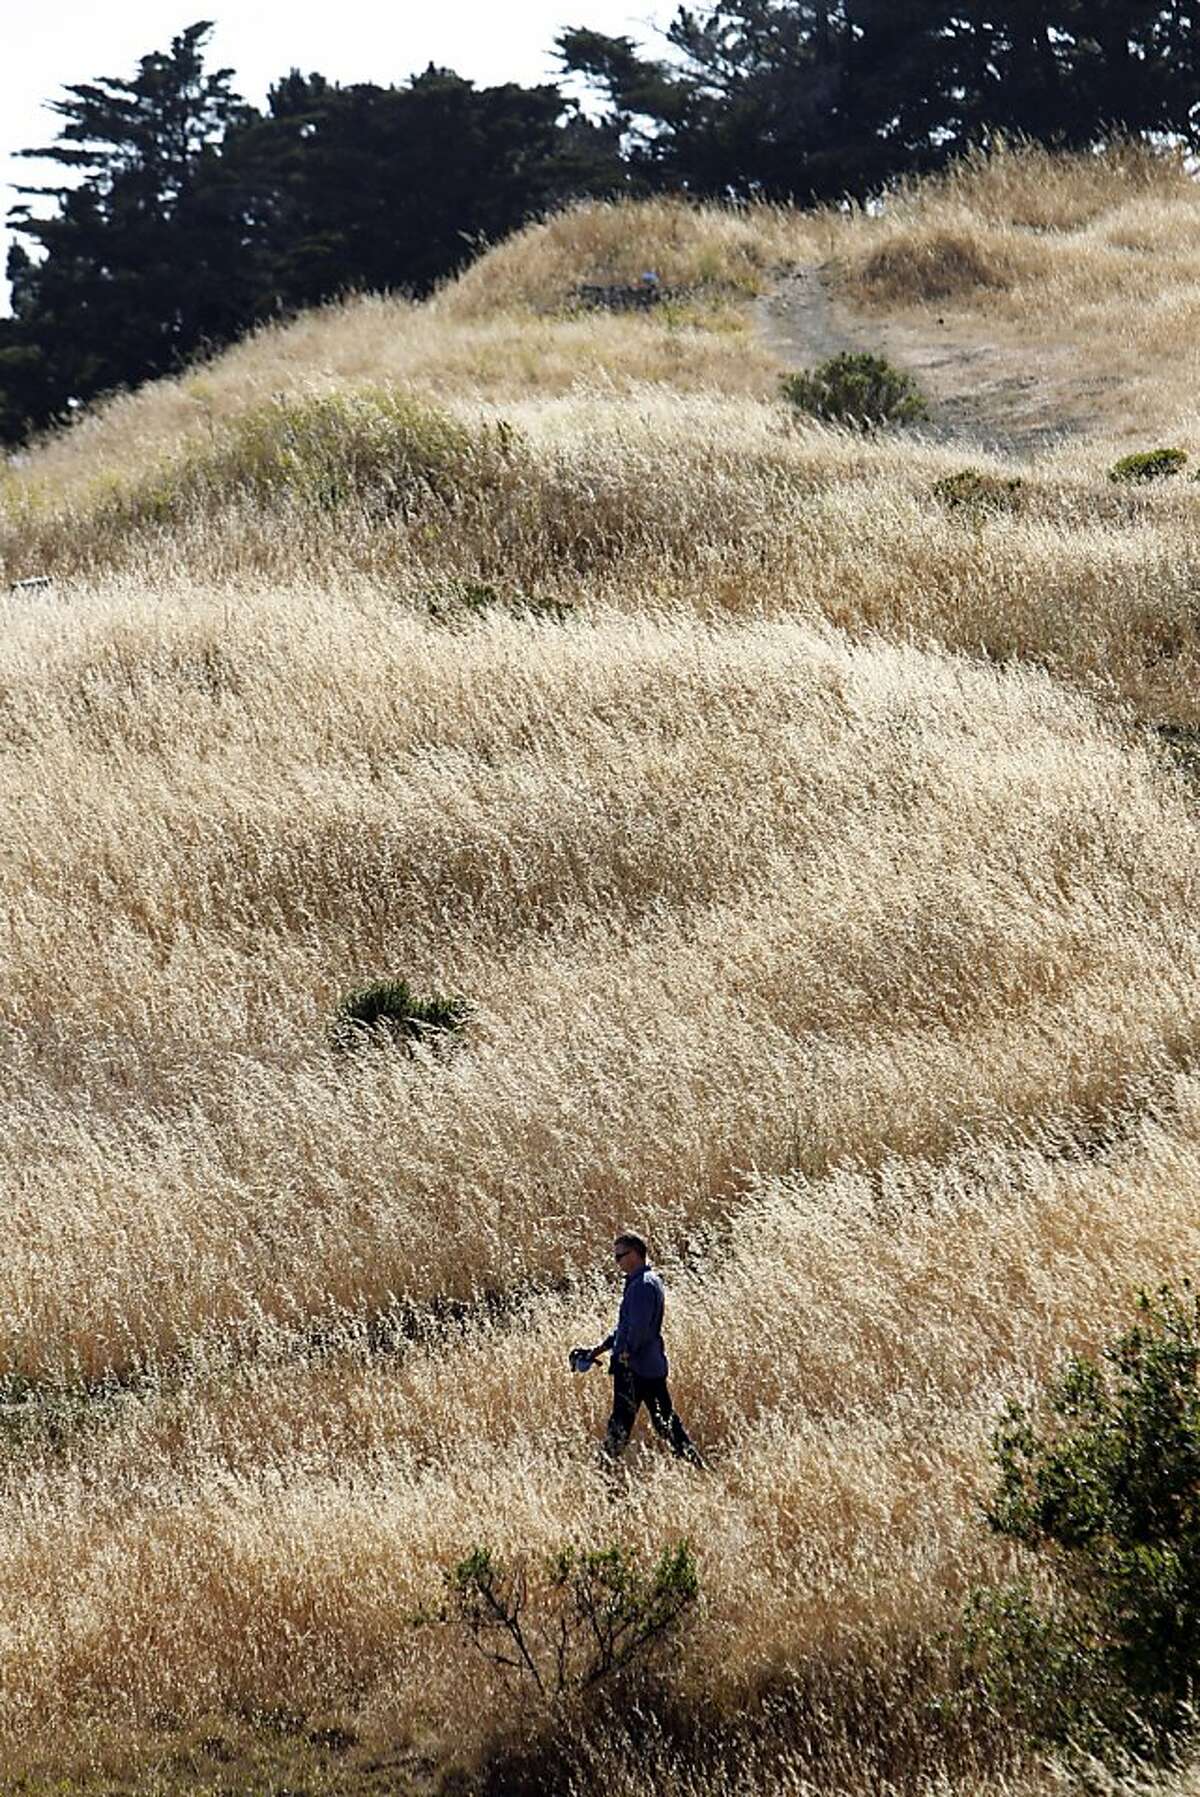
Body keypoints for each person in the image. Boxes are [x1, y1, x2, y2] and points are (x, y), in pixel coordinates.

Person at [585, 1231, 703, 1468]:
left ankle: (603, 1475)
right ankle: (697, 1466)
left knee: (620, 1424)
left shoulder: (641, 1285)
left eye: (620, 1256)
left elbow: (637, 1328)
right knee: (665, 1423)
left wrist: (625, 1353)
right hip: (650, 1367)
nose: (616, 1262)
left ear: (636, 1255)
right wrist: (602, 1347)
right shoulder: (647, 1281)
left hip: (634, 1369)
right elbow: (625, 1327)